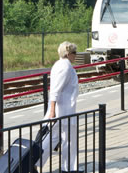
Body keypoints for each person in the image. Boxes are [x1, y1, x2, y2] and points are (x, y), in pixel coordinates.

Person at [40, 41, 80, 173]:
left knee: (53, 137)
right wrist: (52, 110)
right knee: (68, 139)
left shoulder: (59, 64)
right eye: (74, 53)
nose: (76, 55)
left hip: (61, 109)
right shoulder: (66, 67)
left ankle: (34, 161)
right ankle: (69, 168)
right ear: (68, 54)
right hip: (64, 109)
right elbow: (56, 90)